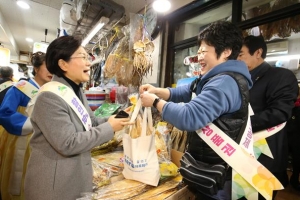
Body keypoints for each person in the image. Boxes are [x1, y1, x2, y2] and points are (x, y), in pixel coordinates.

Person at [139, 21, 253, 200]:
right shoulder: (215, 77)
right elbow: (186, 92)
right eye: (198, 51)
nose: (199, 56)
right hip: (209, 166)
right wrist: (158, 91)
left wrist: (155, 102)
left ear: (226, 52)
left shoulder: (224, 82)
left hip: (217, 173)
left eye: (204, 51)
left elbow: (189, 117)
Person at [24, 36, 133, 200]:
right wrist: (110, 127)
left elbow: (92, 122)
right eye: (83, 57)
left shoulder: (76, 90)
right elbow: (68, 143)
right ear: (63, 64)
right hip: (55, 187)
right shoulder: (49, 98)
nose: (89, 63)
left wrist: (120, 117)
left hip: (75, 178)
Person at [238, 35, 298, 199]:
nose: (237, 59)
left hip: (264, 159)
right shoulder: (238, 79)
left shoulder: (280, 76)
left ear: (258, 52)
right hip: (237, 155)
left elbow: (278, 113)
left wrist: (236, 125)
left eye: (241, 54)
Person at [0, 52, 52, 200]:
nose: (51, 71)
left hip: (44, 142)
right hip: (20, 140)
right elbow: (5, 113)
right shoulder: (19, 88)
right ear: (36, 68)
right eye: (47, 66)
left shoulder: (51, 90)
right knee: (18, 179)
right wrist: (34, 124)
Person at [286, 85, 300, 191]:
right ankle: (293, 180)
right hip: (290, 137)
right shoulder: (291, 105)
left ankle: (294, 179)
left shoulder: (290, 105)